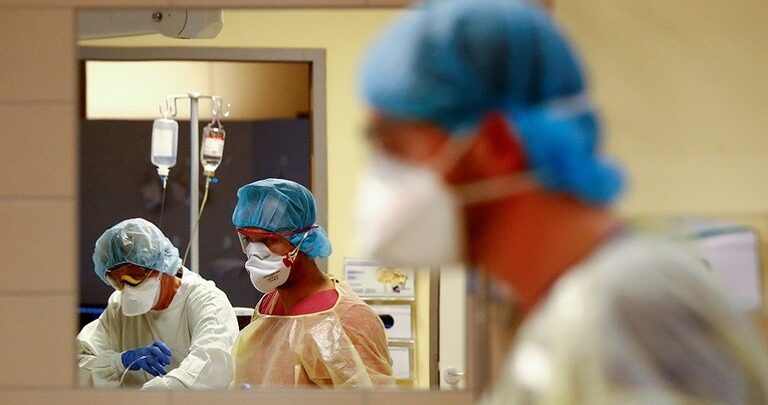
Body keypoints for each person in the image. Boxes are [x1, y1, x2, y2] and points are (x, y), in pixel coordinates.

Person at [357, 0, 768, 401]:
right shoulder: (565, 309)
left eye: (396, 148)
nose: (383, 180)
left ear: (497, 145)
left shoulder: (631, 305)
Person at [230, 178, 394, 389]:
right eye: (247, 239)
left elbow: (373, 398)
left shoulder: (348, 318)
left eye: (268, 240)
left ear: (302, 239)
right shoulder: (268, 306)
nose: (255, 252)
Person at [77, 218, 239, 389]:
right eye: (117, 280)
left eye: (134, 275)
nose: (127, 288)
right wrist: (119, 362)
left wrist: (148, 396)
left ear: (161, 265)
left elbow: (210, 371)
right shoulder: (118, 307)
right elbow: (77, 366)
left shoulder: (207, 302)